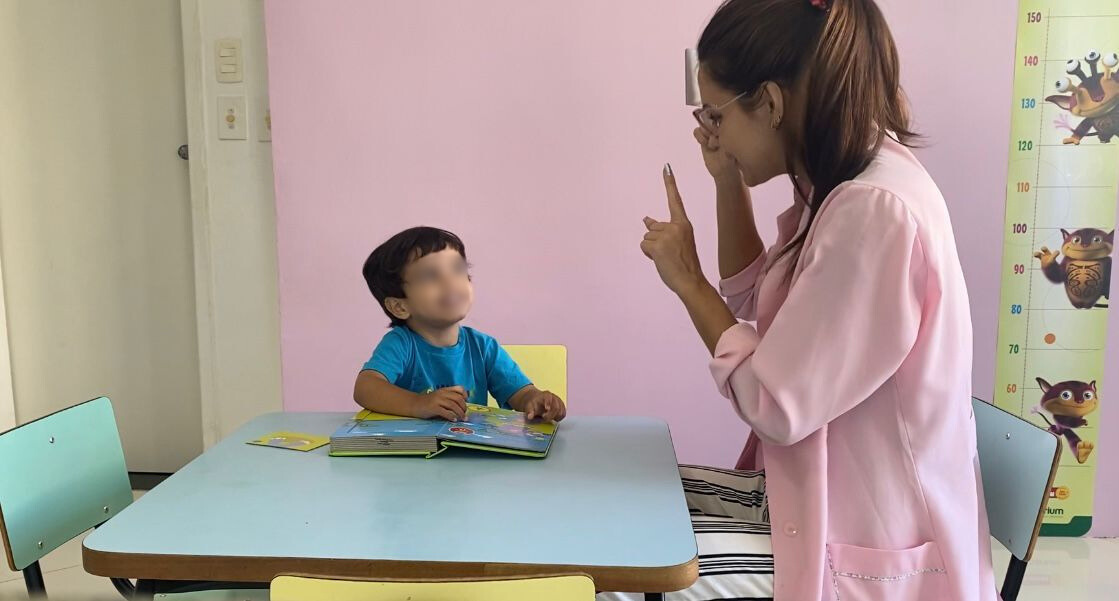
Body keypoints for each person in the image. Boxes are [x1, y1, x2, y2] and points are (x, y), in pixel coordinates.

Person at [633, 0, 997, 599]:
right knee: (628, 503)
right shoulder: (841, 179)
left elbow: (775, 402)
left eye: (716, 115)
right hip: (812, 498)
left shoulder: (873, 210)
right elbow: (751, 296)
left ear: (771, 103)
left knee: (611, 572)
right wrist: (727, 177)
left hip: (865, 548)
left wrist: (688, 282)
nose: (710, 130)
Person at [354, 226, 566, 422]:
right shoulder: (401, 344)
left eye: (457, 269)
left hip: (469, 457)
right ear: (399, 307)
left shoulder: (483, 347)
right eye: (430, 275)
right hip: (413, 456)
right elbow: (365, 387)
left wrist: (536, 400)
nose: (450, 281)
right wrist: (418, 404)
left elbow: (521, 394)